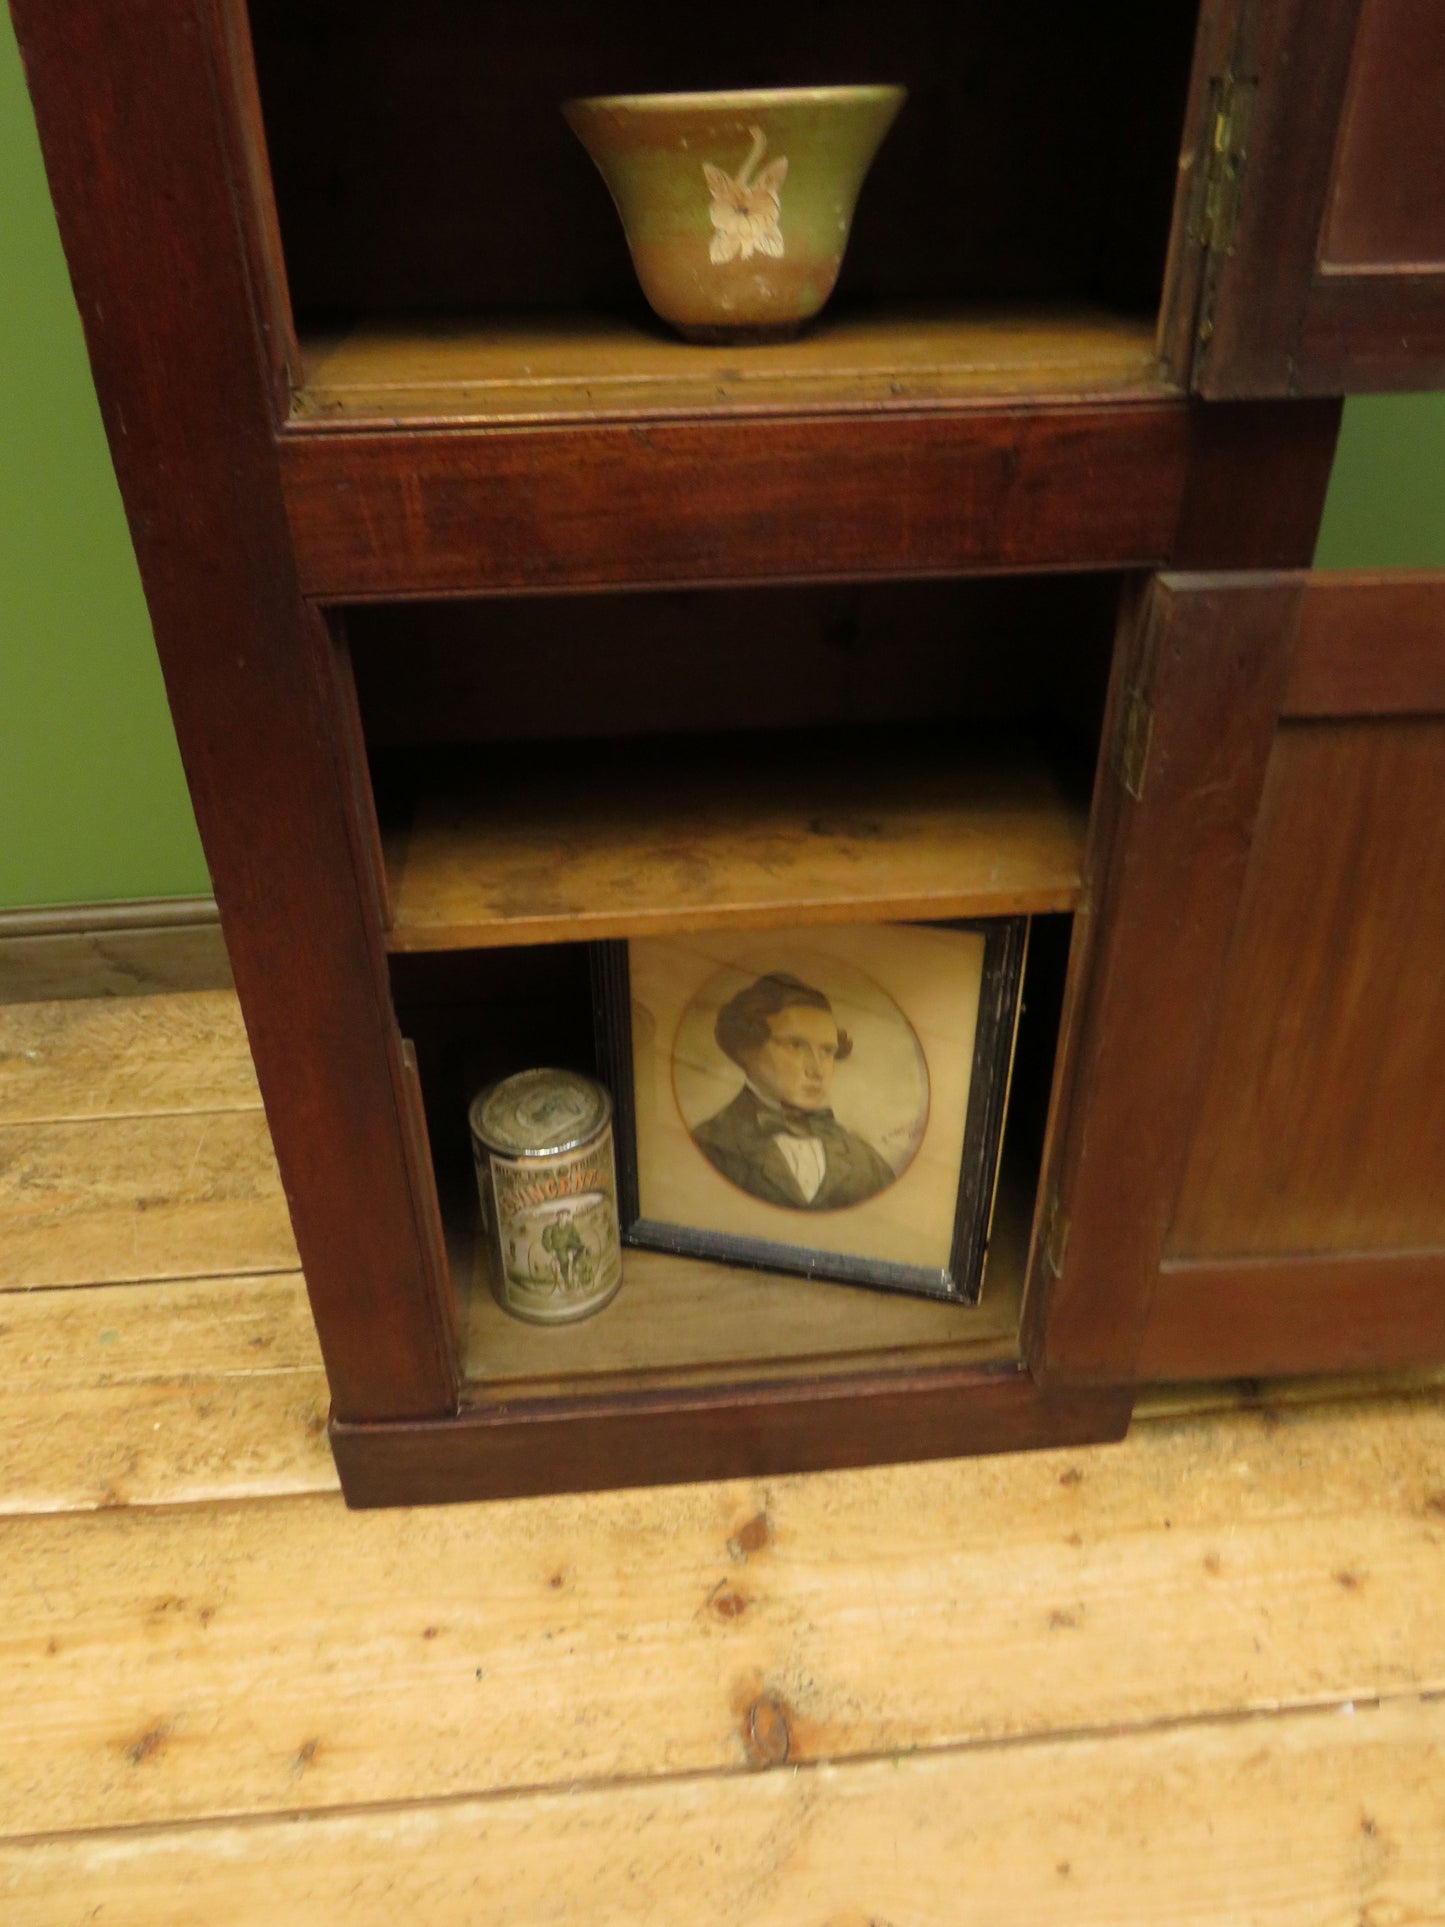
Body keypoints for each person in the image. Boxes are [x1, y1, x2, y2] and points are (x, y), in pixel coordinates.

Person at [690, 972, 895, 1210]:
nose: (817, 1070)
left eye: (827, 1051)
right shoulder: (707, 1146)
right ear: (746, 1048)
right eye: (795, 1046)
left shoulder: (868, 1163)